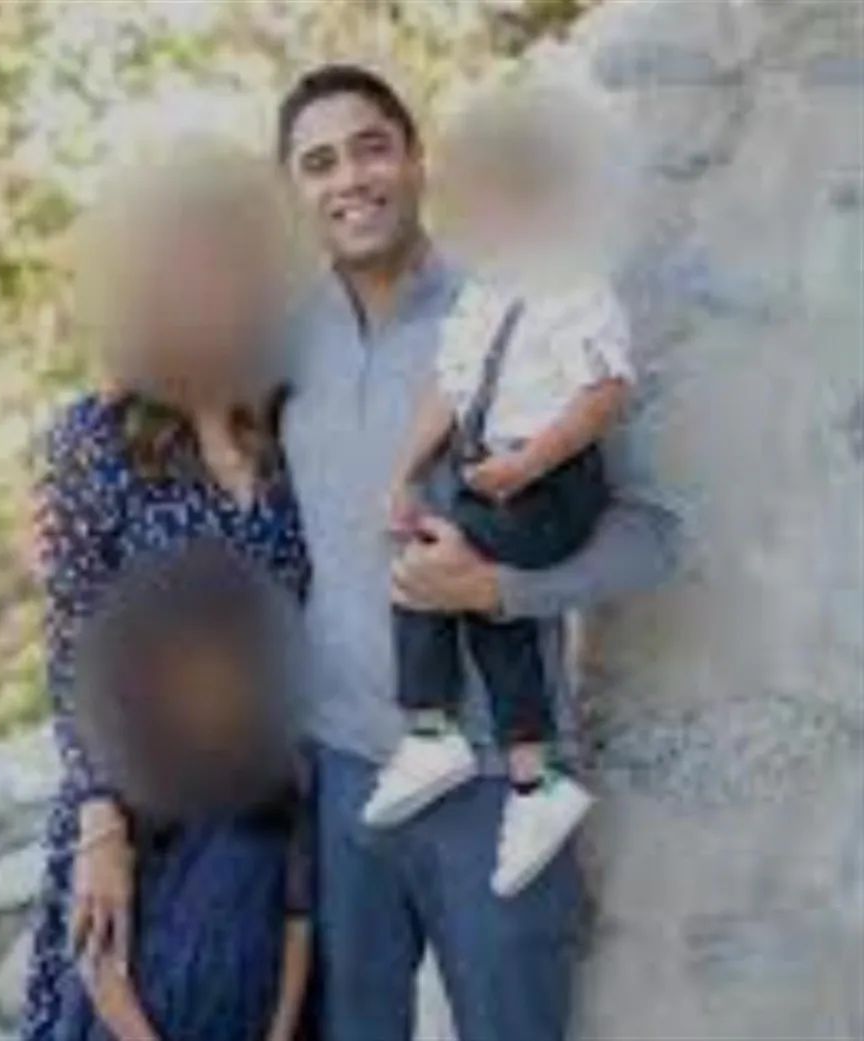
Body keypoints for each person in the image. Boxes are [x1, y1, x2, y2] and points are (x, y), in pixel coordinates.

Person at [277, 64, 679, 1041]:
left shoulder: (522, 304)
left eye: (371, 148)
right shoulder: (284, 341)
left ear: (417, 162)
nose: (349, 179)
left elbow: (652, 533)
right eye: (318, 163)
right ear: (292, 192)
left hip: (499, 783)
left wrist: (499, 588)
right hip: (340, 780)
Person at [21, 141, 312, 1041]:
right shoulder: (92, 440)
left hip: (269, 824)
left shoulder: (294, 430)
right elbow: (73, 645)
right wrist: (100, 823)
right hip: (140, 816)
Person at [363, 79, 636, 899]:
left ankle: (432, 730)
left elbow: (606, 392)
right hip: (497, 475)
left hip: (555, 480)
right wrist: (404, 472)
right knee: (480, 597)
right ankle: (533, 780)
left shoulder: (575, 283)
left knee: (431, 571)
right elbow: (451, 390)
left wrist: (525, 466)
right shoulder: (485, 293)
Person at [56, 544, 312, 1041]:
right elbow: (97, 953)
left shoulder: (277, 777)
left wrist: (280, 1033)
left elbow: (298, 919)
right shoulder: (136, 777)